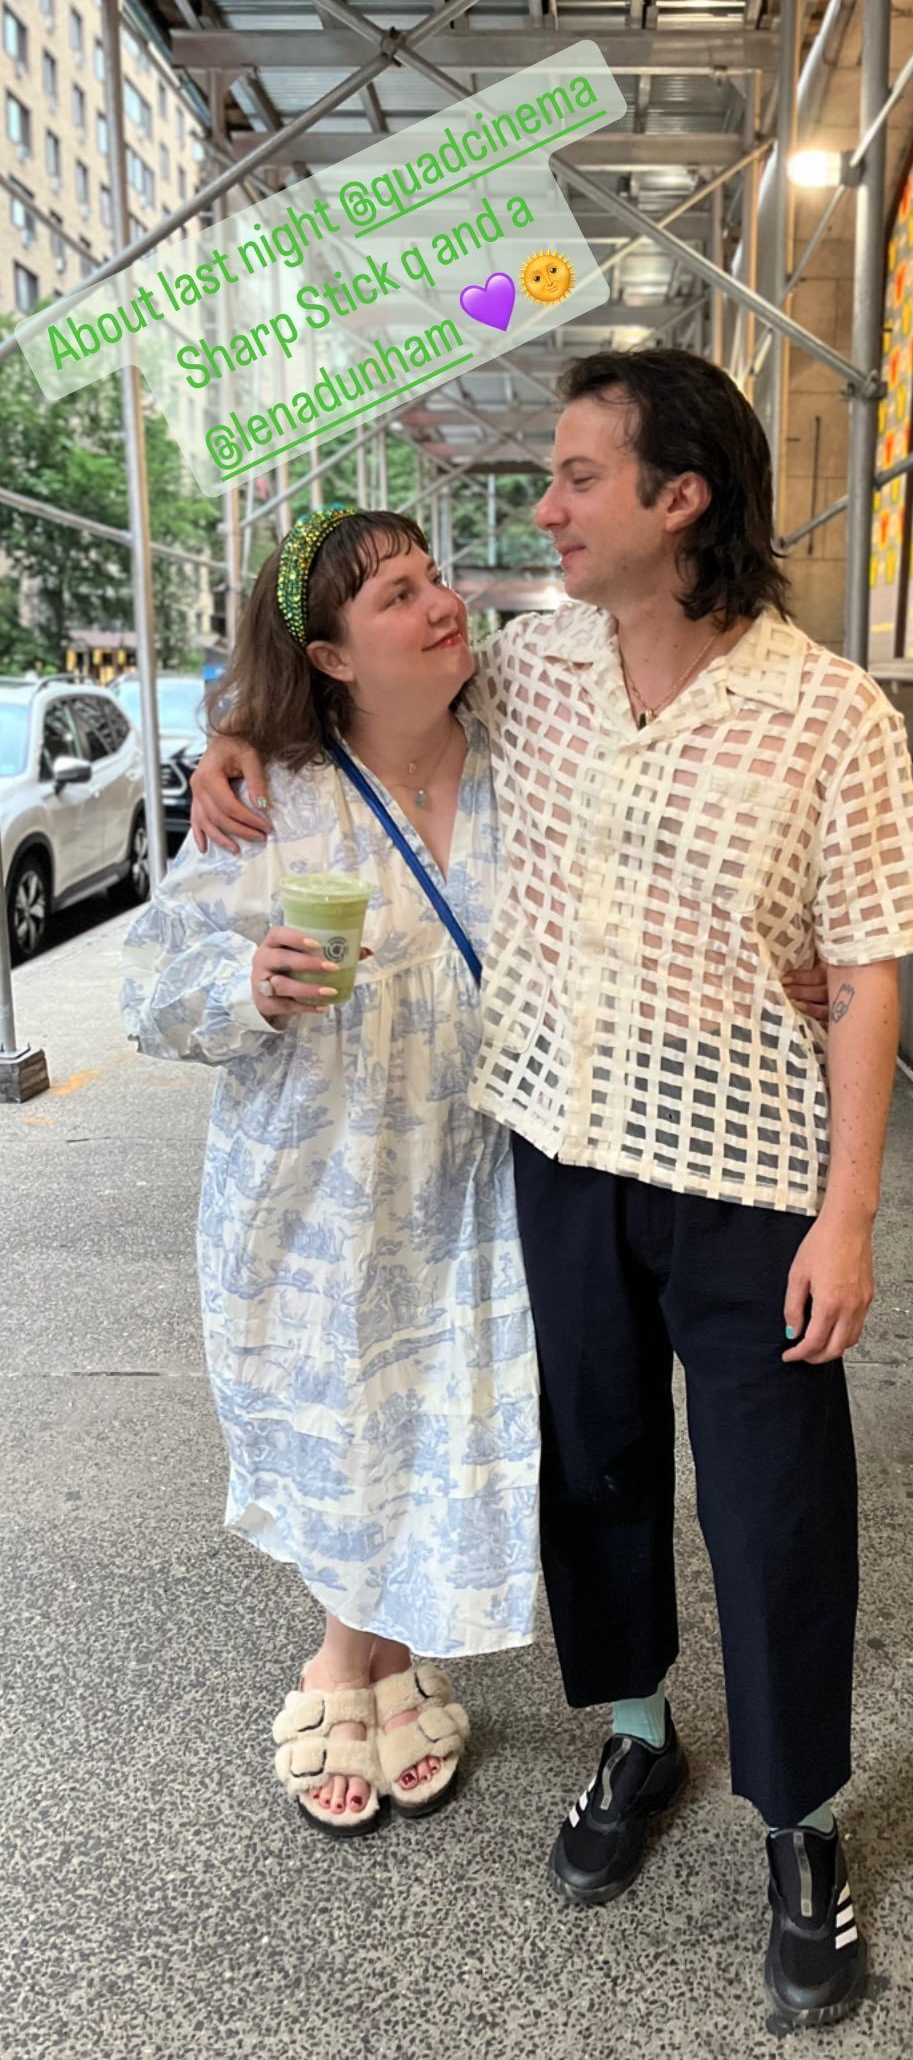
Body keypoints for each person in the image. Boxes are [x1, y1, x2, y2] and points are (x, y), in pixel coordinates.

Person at [191, 350, 913, 2030]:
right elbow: (365, 697)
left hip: (749, 1173)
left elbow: (869, 970)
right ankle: (635, 1733)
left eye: (577, 477)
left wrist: (849, 1213)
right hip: (555, 1145)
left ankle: (800, 1823)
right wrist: (233, 729)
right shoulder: (535, 667)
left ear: (680, 500)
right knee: (591, 1466)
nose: (541, 510)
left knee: (775, 1503)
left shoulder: (829, 710)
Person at [122, 508, 541, 1838]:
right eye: (397, 594)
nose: (440, 602)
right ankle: (364, 1662)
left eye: (435, 576)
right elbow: (150, 992)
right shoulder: (273, 800)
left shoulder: (524, 757)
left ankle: (352, 1662)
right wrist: (245, 985)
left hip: (480, 1183)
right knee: (347, 1422)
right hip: (315, 1196)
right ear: (333, 657)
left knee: (440, 1418)